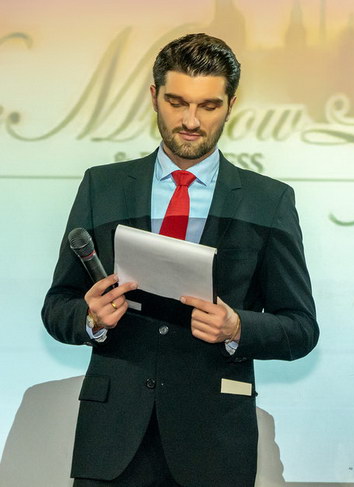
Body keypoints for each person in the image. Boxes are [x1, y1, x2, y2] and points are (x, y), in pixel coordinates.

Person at [42, 33, 318, 487]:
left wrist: (237, 328)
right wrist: (90, 319)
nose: (191, 120)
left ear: (231, 105)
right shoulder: (101, 186)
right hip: (111, 439)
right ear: (154, 97)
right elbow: (57, 307)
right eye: (177, 102)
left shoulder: (269, 200)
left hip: (215, 442)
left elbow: (301, 328)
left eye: (208, 106)